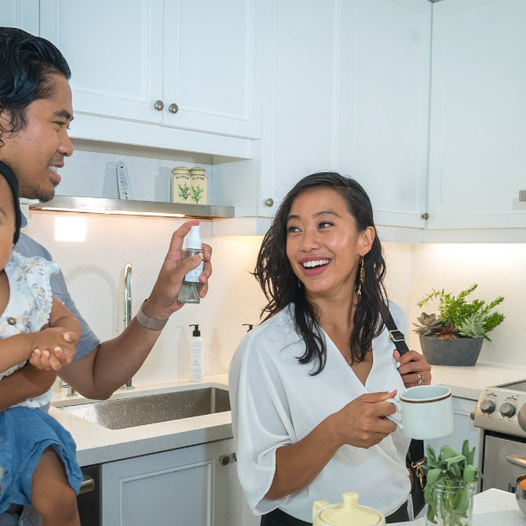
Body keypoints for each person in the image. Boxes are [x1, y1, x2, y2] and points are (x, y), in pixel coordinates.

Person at [0, 27, 212, 524]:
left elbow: (95, 377)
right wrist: (29, 380)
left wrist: (160, 303)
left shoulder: (32, 261)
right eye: (58, 123)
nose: (67, 146)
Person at [229, 172, 432, 525]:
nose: (307, 243)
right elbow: (267, 486)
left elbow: (397, 439)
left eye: (324, 224)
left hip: (395, 512)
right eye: (295, 229)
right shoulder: (264, 348)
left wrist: (416, 391)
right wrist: (335, 431)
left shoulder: (391, 318)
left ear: (364, 239)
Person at [0, 166, 82, 525]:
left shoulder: (27, 278)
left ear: (15, 234)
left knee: (60, 497)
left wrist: (60, 344)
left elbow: (65, 321)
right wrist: (33, 341)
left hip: (23, 416)